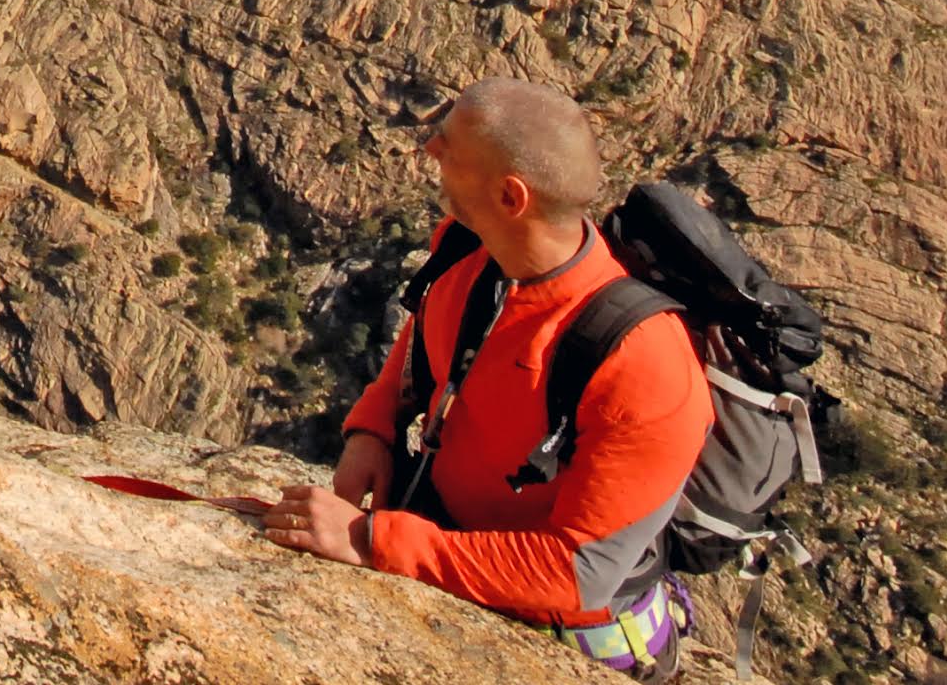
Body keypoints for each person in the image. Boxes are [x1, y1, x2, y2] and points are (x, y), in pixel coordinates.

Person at [234, 79, 713, 676]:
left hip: (564, 629)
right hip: (450, 536)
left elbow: (576, 574)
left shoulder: (643, 364)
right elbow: (426, 342)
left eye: (449, 146)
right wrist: (375, 428)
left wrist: (369, 541)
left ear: (511, 197)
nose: (430, 149)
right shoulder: (472, 251)